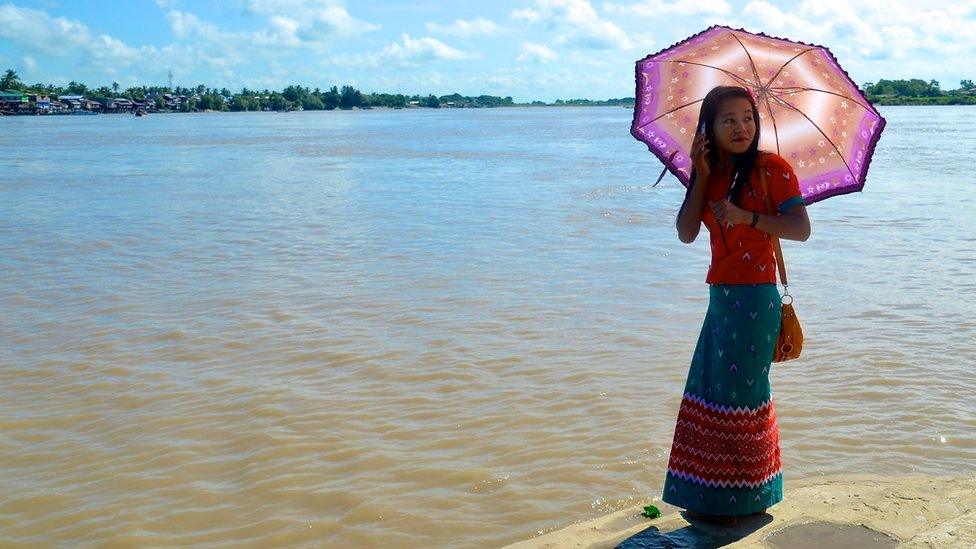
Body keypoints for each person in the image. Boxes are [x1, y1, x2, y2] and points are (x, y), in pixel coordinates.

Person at [661, 85, 811, 526]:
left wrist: (747, 217)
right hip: (720, 298)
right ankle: (716, 496)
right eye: (728, 120)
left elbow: (800, 229)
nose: (741, 127)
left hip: (756, 300)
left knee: (743, 397)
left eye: (747, 117)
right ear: (708, 129)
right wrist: (700, 172)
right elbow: (686, 232)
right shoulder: (710, 172)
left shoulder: (773, 169)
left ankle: (745, 499)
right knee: (710, 394)